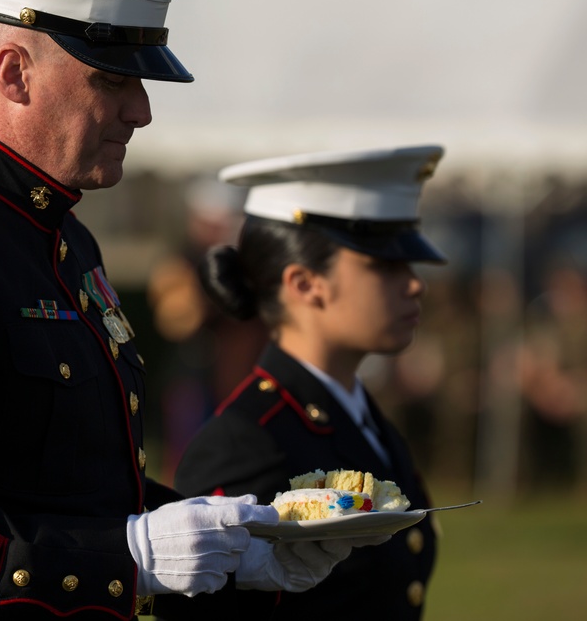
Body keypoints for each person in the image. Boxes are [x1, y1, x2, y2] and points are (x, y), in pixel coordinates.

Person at [0, 0, 376, 619]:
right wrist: (125, 559)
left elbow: (84, 488)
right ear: (13, 72)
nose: (142, 110)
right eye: (111, 79)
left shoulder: (68, 242)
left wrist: (234, 537)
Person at [174, 145, 445, 619]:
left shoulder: (361, 417)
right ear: (303, 283)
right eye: (384, 265)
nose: (415, 283)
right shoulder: (245, 443)